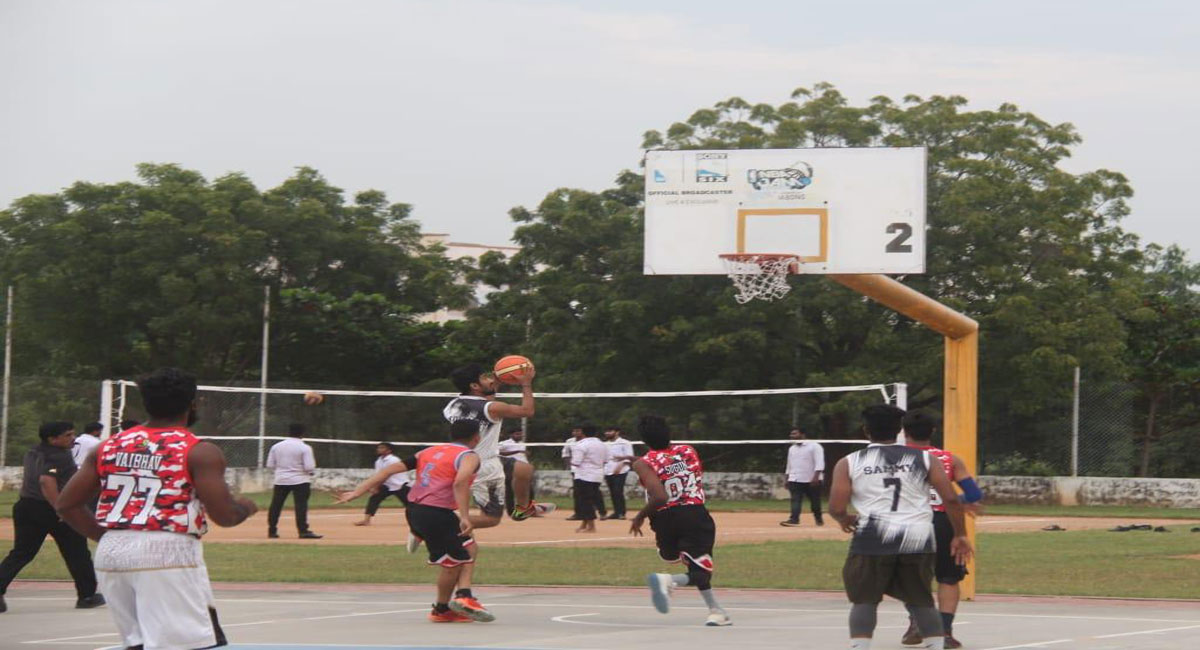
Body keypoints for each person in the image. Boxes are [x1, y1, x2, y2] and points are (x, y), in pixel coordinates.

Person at [56, 367, 258, 649]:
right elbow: (224, 516)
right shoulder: (199, 450)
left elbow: (66, 504)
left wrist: (106, 536)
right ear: (192, 404)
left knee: (137, 643)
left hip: (112, 553)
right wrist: (246, 507)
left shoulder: (108, 447)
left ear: (146, 404)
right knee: (191, 644)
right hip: (166, 551)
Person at [828, 405, 973, 650]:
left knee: (865, 601)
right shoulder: (926, 459)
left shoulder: (849, 462)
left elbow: (836, 506)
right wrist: (960, 534)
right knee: (921, 601)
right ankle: (936, 644)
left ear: (866, 431)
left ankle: (860, 646)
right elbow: (950, 499)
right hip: (918, 537)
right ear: (898, 431)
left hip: (872, 539)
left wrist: (844, 520)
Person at [337, 419, 493, 623]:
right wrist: (465, 516)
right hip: (436, 514)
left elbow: (387, 471)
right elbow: (460, 482)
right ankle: (444, 608)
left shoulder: (427, 452)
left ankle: (462, 594)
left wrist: (357, 492)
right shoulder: (469, 456)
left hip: (415, 510)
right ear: (477, 438)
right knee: (453, 563)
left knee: (470, 548)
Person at [631, 414, 731, 627]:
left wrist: (640, 516)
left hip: (663, 520)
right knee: (700, 570)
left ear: (644, 441)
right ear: (669, 433)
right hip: (693, 514)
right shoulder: (688, 451)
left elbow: (658, 496)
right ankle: (670, 581)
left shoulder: (642, 463)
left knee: (676, 557)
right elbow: (661, 494)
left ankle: (716, 611)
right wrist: (640, 515)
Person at [899, 411, 984, 650]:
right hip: (942, 520)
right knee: (948, 576)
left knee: (909, 576)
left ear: (904, 432)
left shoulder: (894, 459)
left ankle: (916, 621)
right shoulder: (949, 460)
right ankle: (945, 631)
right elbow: (974, 494)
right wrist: (961, 500)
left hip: (907, 520)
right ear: (933, 431)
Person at [0, 422, 104, 614]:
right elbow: (46, 481)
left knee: (22, 552)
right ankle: (87, 595)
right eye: (68, 435)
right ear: (52, 439)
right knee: (77, 552)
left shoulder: (33, 451)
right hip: (50, 509)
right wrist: (60, 509)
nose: (73, 438)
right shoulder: (58, 455)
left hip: (26, 506)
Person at [442, 363, 553, 524]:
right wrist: (526, 383)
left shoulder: (453, 405)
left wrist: (497, 382)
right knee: (491, 519)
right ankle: (438, 525)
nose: (489, 379)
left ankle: (522, 509)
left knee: (524, 470)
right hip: (481, 466)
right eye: (484, 378)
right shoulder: (492, 408)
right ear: (474, 386)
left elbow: (485, 404)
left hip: (475, 458)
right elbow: (527, 411)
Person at [266, 423, 322, 539]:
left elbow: (270, 465)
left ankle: (272, 530)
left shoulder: (276, 446)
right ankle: (303, 531)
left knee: (276, 505)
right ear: (302, 433)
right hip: (300, 480)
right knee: (301, 505)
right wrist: (310, 473)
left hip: (281, 480)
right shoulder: (305, 447)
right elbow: (309, 467)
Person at [354, 442, 412, 527]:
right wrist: (374, 486)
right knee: (374, 499)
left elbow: (387, 474)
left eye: (382, 448)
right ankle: (366, 520)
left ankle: (417, 521)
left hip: (399, 484)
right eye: (379, 448)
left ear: (389, 450)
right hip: (387, 485)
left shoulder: (393, 460)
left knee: (411, 504)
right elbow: (379, 475)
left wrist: (376, 487)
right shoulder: (379, 461)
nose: (379, 449)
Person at [780, 427, 825, 527]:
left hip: (812, 480)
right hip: (795, 479)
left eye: (795, 434)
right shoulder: (792, 448)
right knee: (795, 500)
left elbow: (820, 463)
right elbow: (789, 464)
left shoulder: (815, 446)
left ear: (803, 435)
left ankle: (818, 519)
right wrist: (787, 478)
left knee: (815, 502)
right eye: (791, 434)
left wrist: (816, 477)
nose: (792, 436)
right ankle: (794, 519)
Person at [570, 424, 607, 533]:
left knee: (585, 501)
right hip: (597, 475)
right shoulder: (602, 444)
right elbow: (606, 460)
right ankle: (584, 524)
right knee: (589, 499)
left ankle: (591, 526)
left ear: (583, 433)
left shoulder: (581, 445)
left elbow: (576, 462)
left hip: (584, 476)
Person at [602, 427, 635, 520]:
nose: (607, 433)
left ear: (617, 432)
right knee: (612, 492)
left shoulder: (625, 442)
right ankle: (616, 512)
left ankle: (621, 512)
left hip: (621, 470)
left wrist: (620, 467)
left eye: (610, 431)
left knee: (618, 491)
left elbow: (629, 457)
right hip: (608, 470)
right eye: (606, 431)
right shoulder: (605, 444)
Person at [498, 429, 534, 516]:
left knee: (529, 490)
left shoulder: (522, 443)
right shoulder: (505, 443)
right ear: (511, 435)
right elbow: (497, 452)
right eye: (517, 434)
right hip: (511, 467)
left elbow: (524, 455)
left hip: (524, 469)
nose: (519, 436)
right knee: (510, 489)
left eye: (521, 434)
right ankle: (511, 511)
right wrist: (516, 451)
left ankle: (530, 509)